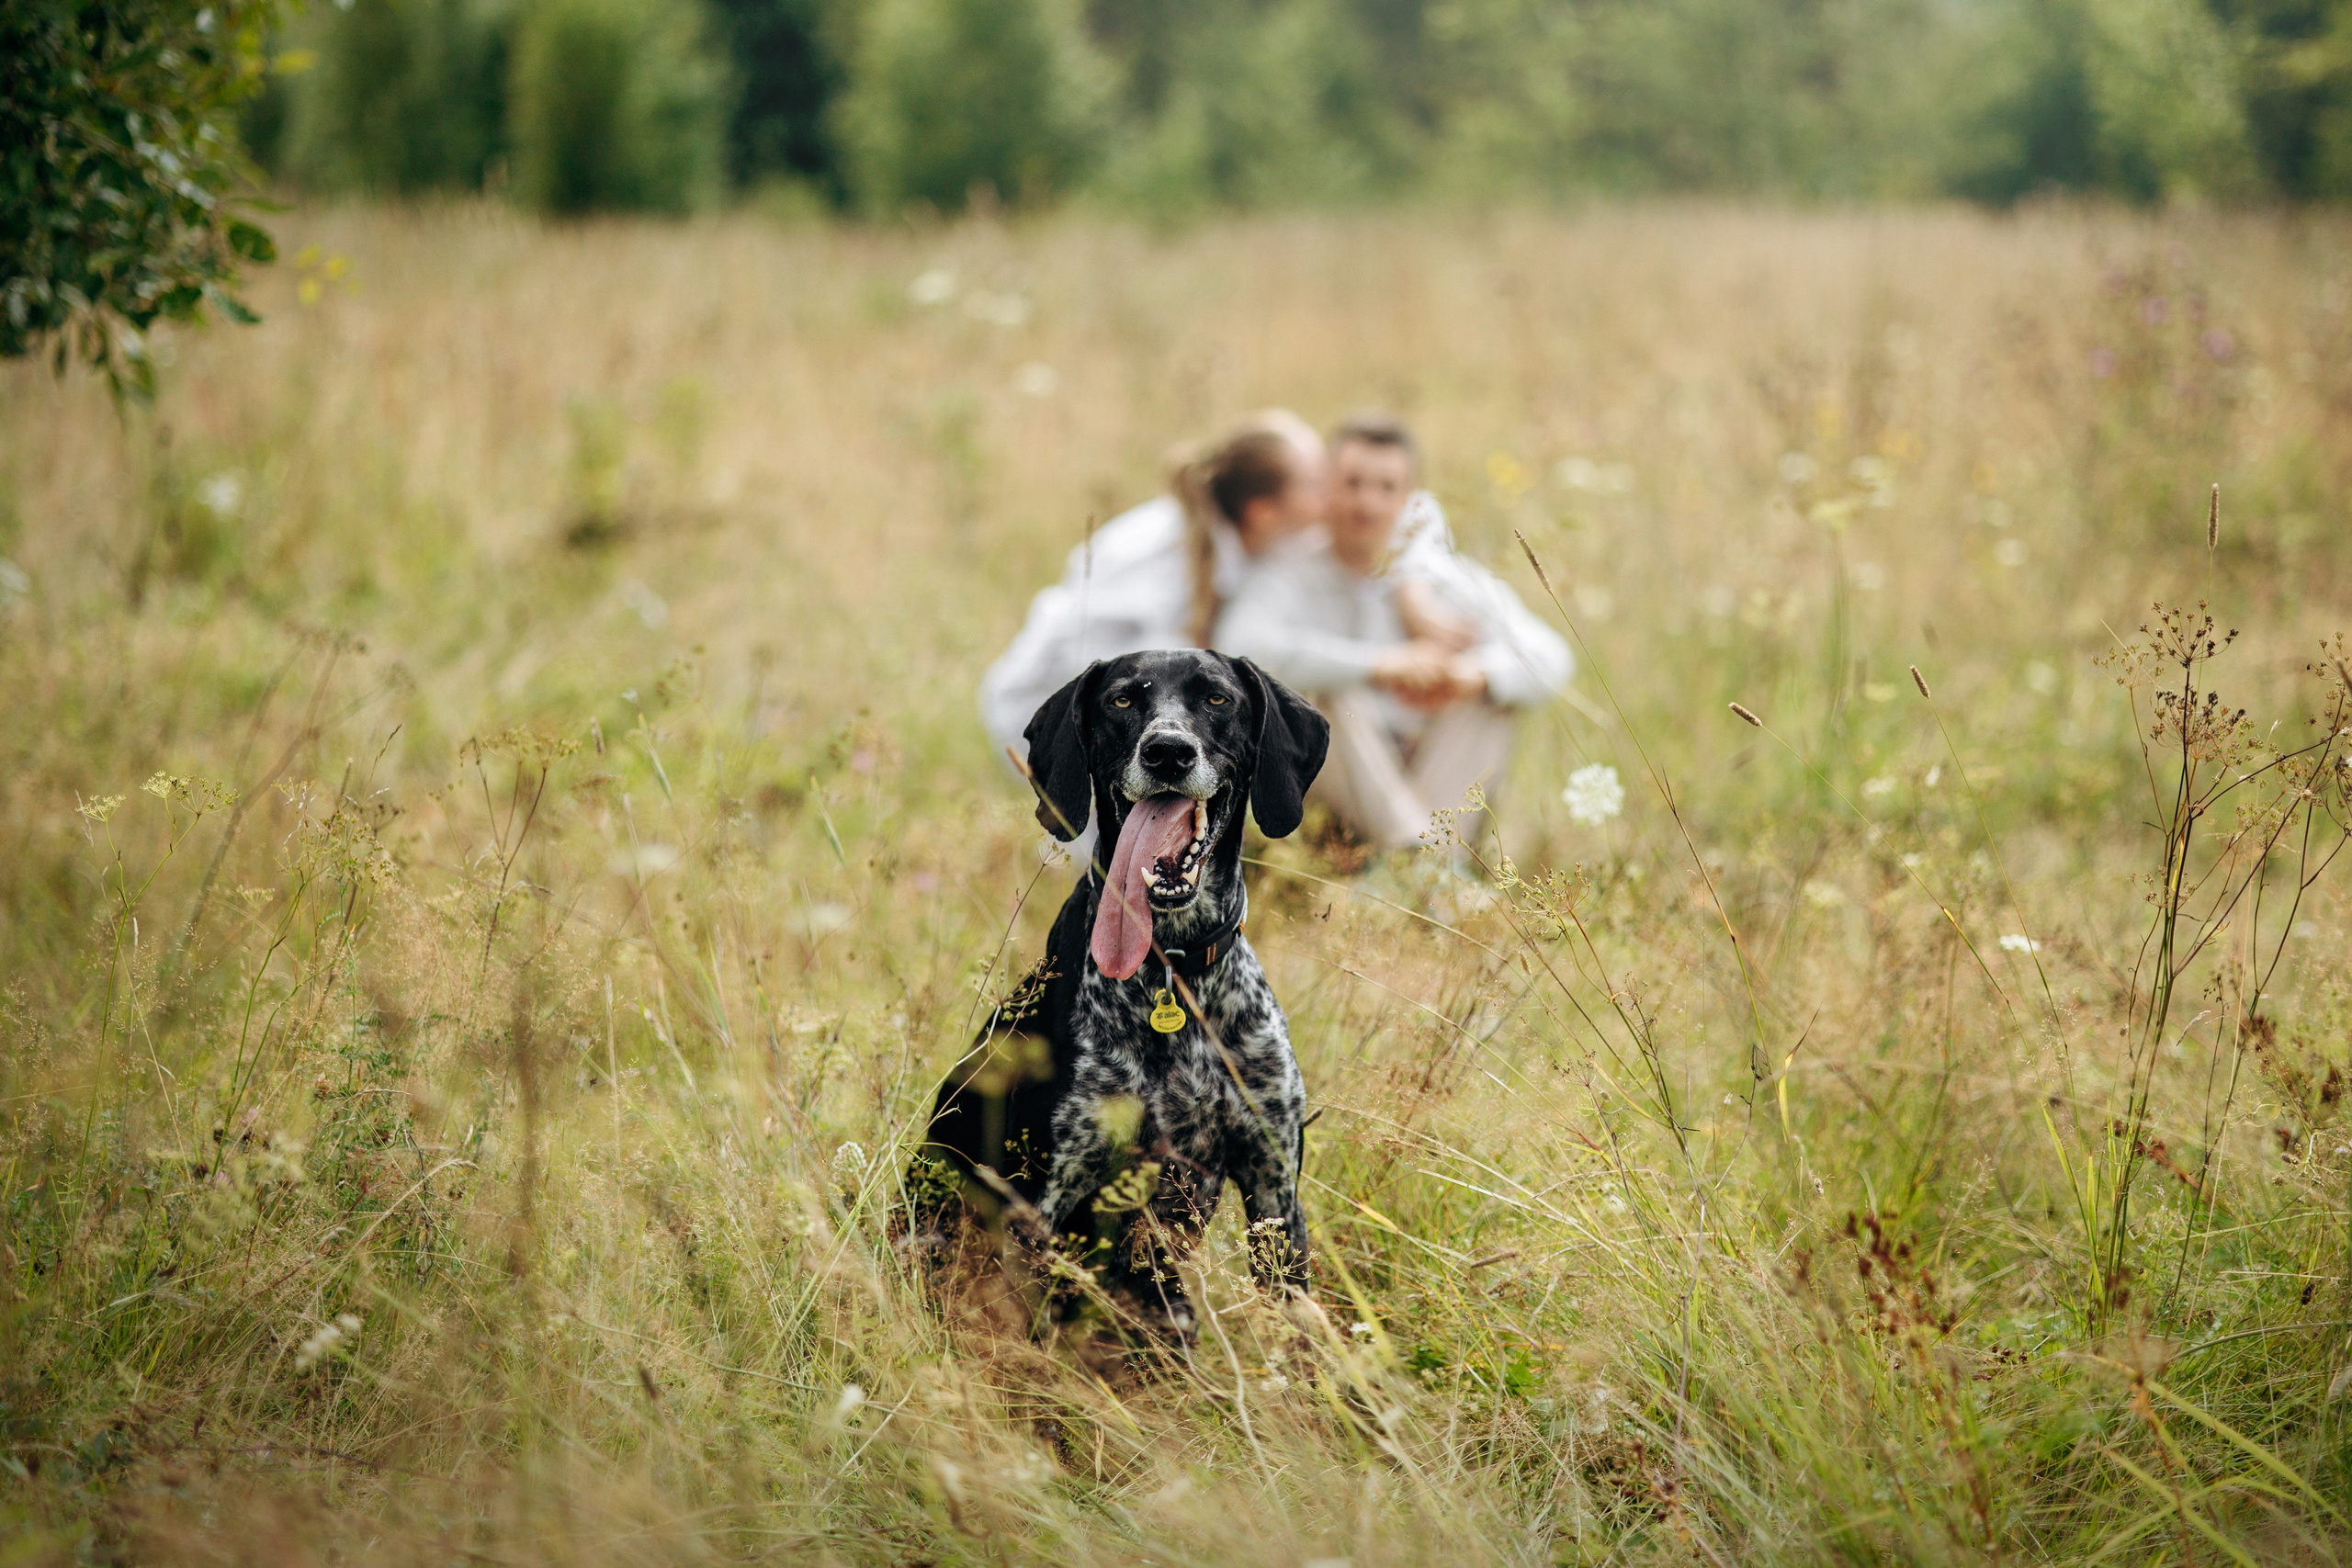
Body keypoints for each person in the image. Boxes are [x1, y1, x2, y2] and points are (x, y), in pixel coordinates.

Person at [1214, 412, 1571, 851]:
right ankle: (1420, 859)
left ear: (1410, 499)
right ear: (1327, 487)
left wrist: (1471, 675)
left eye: (1386, 488)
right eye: (1353, 483)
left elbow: (1551, 657)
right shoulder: (1287, 570)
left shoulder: (1442, 578)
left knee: (1491, 698)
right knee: (1326, 694)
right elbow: (1238, 649)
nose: (1367, 503)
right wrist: (1379, 666)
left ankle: (1421, 859)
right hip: (1342, 776)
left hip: (1431, 761)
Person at [978, 410, 1328, 767]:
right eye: (1316, 483)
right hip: (1048, 718)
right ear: (1263, 512)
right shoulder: (1167, 558)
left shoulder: (1238, 542)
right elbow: (1107, 671)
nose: (1330, 493)